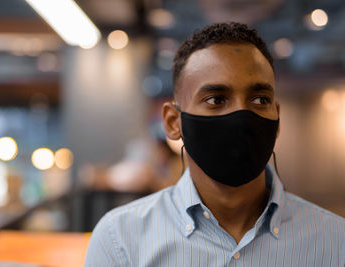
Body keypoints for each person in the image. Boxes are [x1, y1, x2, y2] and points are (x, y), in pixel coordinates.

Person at [85, 22, 345, 266]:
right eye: (215, 100)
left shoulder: (335, 241)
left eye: (260, 100)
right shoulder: (120, 240)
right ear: (174, 122)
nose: (242, 116)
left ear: (277, 118)